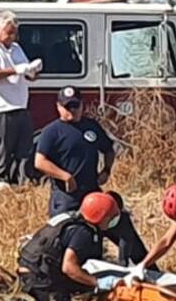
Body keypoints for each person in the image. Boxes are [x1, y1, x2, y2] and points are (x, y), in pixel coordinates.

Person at [12, 191, 123, 301]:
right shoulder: (83, 233)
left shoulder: (68, 218)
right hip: (40, 278)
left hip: (31, 270)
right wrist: (97, 282)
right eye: (110, 218)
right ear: (101, 216)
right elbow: (69, 267)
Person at [0, 11, 43, 189]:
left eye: (15, 33)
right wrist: (15, 70)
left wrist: (32, 71)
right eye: (9, 32)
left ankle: (23, 186)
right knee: (1, 155)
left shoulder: (16, 48)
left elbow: (26, 74)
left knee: (25, 153)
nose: (13, 36)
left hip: (20, 106)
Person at [34, 86, 116, 216]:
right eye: (67, 107)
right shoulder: (52, 131)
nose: (72, 111)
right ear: (58, 107)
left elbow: (108, 150)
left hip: (91, 192)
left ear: (82, 105)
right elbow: (40, 161)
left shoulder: (92, 126)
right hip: (65, 196)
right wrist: (64, 176)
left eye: (75, 106)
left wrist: (106, 170)